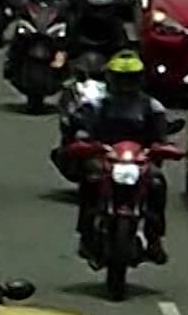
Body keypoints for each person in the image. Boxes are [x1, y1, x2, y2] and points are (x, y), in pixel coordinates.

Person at [68, 51, 171, 265]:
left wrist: (161, 149)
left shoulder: (152, 106)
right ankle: (86, 235)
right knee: (90, 180)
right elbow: (81, 126)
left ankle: (154, 238)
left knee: (157, 184)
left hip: (140, 160)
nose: (125, 84)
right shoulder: (96, 105)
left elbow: (161, 137)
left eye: (131, 79)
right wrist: (84, 141)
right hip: (105, 158)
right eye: (121, 78)